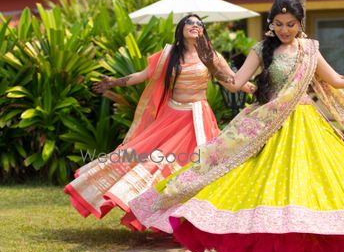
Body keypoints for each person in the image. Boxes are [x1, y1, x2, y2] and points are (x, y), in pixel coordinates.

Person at [129, 0, 344, 252]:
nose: (285, 29)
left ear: (300, 24)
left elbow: (336, 80)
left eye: (291, 24)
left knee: (313, 184)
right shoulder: (261, 50)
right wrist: (210, 62)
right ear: (271, 24)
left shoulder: (309, 49)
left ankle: (302, 250)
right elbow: (235, 82)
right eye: (279, 24)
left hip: (306, 125)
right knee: (262, 184)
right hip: (267, 125)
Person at [64, 13, 253, 230]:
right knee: (151, 162)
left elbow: (231, 81)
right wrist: (113, 82)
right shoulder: (168, 55)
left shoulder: (210, 55)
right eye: (189, 22)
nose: (194, 25)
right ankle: (157, 215)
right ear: (181, 29)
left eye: (199, 23)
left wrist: (253, 88)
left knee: (198, 168)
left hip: (199, 120)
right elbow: (142, 76)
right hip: (172, 119)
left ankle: (192, 222)